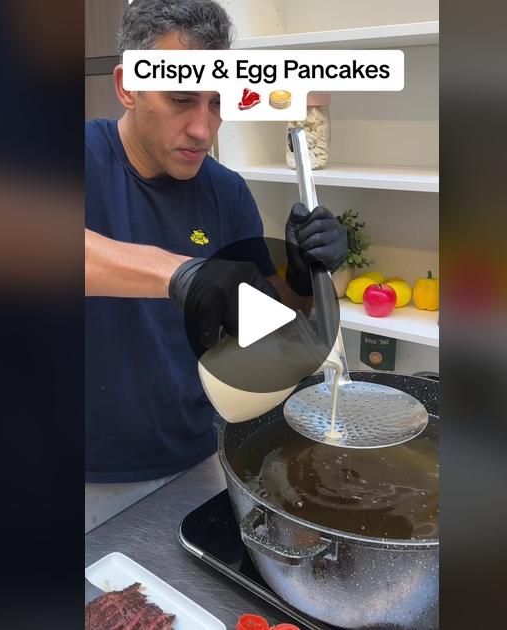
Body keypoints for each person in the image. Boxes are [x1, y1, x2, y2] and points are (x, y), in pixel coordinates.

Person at [85, 0, 347, 529]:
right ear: (127, 86)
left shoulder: (226, 190)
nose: (203, 130)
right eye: (181, 99)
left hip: (198, 455)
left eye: (217, 103)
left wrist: (300, 278)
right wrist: (179, 274)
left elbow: (265, 326)